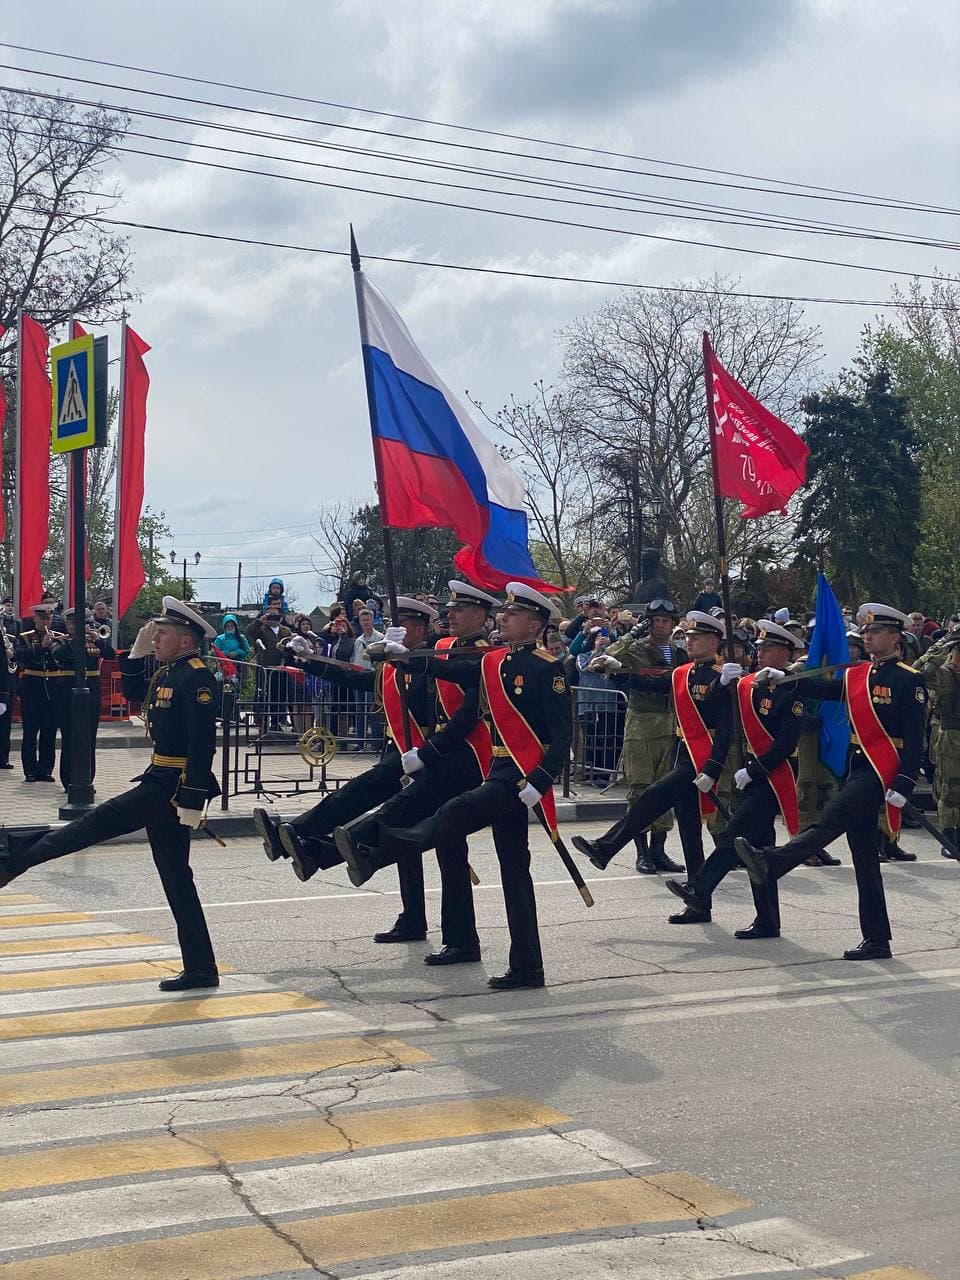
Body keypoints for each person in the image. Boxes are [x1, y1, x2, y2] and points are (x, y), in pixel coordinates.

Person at [338, 583, 572, 990]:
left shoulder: (547, 668)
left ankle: (379, 851)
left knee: (454, 813)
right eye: (505, 613)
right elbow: (452, 669)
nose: (504, 617)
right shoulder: (494, 662)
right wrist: (406, 660)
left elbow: (562, 738)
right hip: (499, 767)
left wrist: (540, 779)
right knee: (515, 870)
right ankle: (528, 966)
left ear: (535, 625)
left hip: (519, 777)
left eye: (513, 615)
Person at [0, 598, 221, 991]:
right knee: (175, 876)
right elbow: (135, 690)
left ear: (186, 640)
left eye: (163, 634)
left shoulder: (198, 678)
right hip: (160, 779)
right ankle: (201, 968)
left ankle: (17, 858)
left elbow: (203, 745)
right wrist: (135, 654)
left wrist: (193, 797)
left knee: (91, 825)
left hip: (170, 788)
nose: (156, 639)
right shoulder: (171, 672)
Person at [735, 603, 927, 960]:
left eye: (875, 632)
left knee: (830, 819)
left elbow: (916, 738)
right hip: (857, 765)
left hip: (881, 770)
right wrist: (783, 679)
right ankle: (877, 939)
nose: (867, 637)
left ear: (895, 637)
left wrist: (904, 782)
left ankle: (775, 862)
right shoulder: (857, 674)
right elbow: (823, 691)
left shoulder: (908, 678)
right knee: (865, 857)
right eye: (866, 632)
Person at [252, 597, 443, 944]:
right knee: (390, 828)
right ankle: (412, 916)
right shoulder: (392, 665)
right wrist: (309, 662)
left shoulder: (433, 664)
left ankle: (299, 838)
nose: (401, 631)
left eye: (410, 626)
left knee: (364, 803)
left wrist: (406, 663)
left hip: (423, 756)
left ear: (421, 630)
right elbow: (356, 680)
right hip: (397, 750)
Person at [333, 581, 501, 965]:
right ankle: (416, 918)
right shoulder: (440, 651)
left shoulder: (484, 656)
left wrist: (425, 752)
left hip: (458, 758)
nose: (451, 614)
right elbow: (379, 684)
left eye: (460, 608)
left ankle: (461, 938)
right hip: (426, 755)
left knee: (447, 849)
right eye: (451, 608)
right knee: (418, 836)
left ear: (480, 615)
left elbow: (463, 715)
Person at [572, 611, 732, 924]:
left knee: (655, 794)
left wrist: (713, 768)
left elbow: (727, 729)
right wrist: (619, 672)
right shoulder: (683, 672)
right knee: (688, 829)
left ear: (714, 642)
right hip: (684, 754)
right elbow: (653, 682)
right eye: (688, 636)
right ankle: (699, 902)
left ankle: (607, 847)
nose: (689, 640)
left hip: (704, 758)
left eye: (696, 637)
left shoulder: (723, 676)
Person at [663, 620, 805, 938]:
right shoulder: (748, 684)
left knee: (734, 837)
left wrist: (753, 771)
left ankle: (699, 888)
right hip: (750, 772)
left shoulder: (791, 689)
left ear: (785, 654)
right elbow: (713, 706)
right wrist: (721, 682)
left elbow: (785, 744)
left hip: (772, 774)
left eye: (769, 648)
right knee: (758, 848)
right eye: (760, 647)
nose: (761, 652)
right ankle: (767, 921)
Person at [599, 599, 684, 874]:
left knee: (665, 790)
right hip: (641, 725)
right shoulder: (635, 649)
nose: (661, 626)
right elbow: (605, 658)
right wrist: (632, 633)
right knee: (640, 788)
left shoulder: (678, 653)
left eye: (666, 621)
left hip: (670, 726)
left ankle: (659, 850)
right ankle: (643, 851)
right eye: (656, 620)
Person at [52, 609, 115, 792]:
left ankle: (87, 778)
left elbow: (110, 654)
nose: (77, 626)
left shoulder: (93, 639)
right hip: (68, 692)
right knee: (69, 736)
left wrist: (99, 641)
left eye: (80, 622)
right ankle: (69, 780)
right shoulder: (62, 640)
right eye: (73, 623)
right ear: (68, 624)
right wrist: (77, 639)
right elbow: (59, 655)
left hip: (92, 691)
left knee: (89, 737)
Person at [916, 635, 960, 861]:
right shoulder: (946, 675)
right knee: (951, 787)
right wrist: (942, 645)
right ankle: (948, 835)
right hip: (951, 736)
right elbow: (920, 671)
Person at [15, 603, 62, 783]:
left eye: (49, 618)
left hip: (52, 687)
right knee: (30, 731)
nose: (46, 621)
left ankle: (46, 769)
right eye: (42, 618)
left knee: (49, 730)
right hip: (33, 686)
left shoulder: (58, 637)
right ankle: (30, 770)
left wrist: (53, 646)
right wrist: (41, 646)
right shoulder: (25, 637)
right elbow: (22, 657)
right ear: (35, 618)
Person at [246, 605, 292, 732]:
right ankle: (262, 721)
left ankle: (276, 721)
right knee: (263, 694)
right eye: (270, 615)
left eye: (275, 615)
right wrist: (260, 621)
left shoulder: (285, 630)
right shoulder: (261, 628)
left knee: (279, 695)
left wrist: (284, 662)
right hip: (264, 667)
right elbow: (250, 632)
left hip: (280, 667)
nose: (273, 618)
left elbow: (288, 647)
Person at [351, 607, 384, 751]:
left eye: (367, 620)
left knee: (373, 711)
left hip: (373, 678)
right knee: (359, 711)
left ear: (372, 620)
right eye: (362, 620)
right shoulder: (358, 640)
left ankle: (375, 742)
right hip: (359, 677)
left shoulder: (380, 638)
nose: (365, 622)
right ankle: (360, 742)